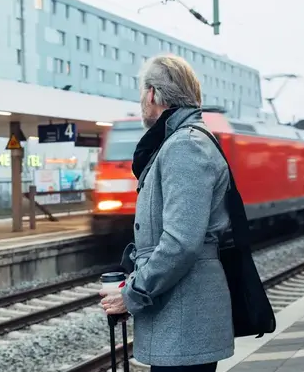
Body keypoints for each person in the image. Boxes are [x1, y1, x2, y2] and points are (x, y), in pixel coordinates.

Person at [99, 55, 234, 371]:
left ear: (151, 94)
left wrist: (131, 295)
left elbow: (180, 243)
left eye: (141, 95)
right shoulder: (179, 142)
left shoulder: (184, 145)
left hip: (184, 321)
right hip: (180, 318)